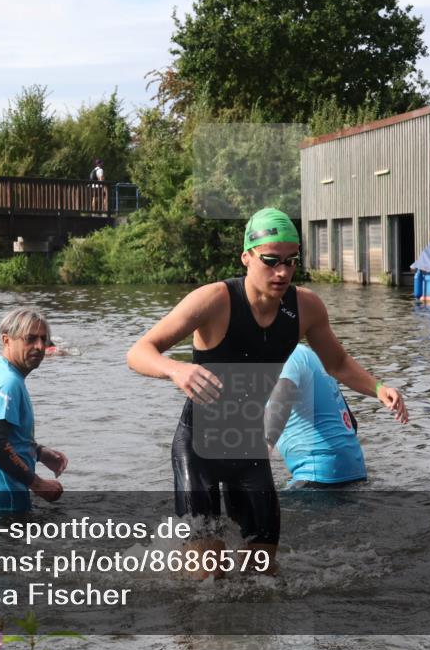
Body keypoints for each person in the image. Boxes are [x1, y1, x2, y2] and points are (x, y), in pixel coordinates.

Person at [126, 207, 408, 572]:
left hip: (248, 449)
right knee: (204, 576)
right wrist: (176, 369)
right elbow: (138, 352)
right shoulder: (214, 300)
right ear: (246, 257)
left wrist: (379, 387)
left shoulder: (306, 306)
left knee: (261, 572)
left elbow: (337, 363)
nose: (282, 272)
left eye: (291, 262)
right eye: (271, 261)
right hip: (200, 449)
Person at [0, 308, 68, 512]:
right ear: (6, 340)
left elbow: (1, 436)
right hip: (0, 504)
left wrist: (39, 452)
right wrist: (38, 484)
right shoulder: (7, 383)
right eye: (30, 339)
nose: (40, 346)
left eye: (44, 339)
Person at [264, 344, 367, 488]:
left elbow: (283, 395)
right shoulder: (310, 355)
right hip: (356, 470)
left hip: (320, 475)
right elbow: (352, 423)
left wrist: (265, 445)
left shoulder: (287, 356)